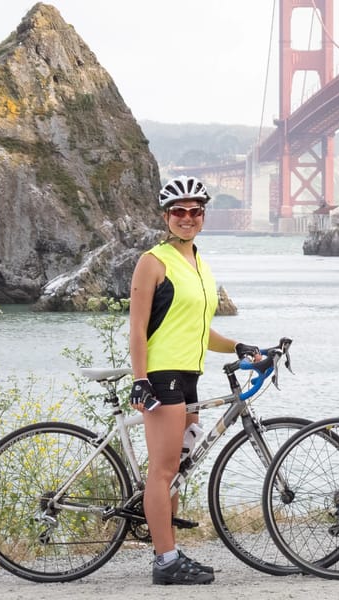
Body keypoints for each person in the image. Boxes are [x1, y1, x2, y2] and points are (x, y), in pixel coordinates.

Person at [129, 175, 260, 585]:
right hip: (162, 375)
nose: (188, 218)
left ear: (203, 216)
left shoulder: (200, 263)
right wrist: (140, 379)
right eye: (179, 212)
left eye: (195, 211)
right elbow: (136, 328)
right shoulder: (153, 260)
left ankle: (169, 551)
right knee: (163, 470)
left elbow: (200, 330)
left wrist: (239, 347)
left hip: (189, 375)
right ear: (166, 217)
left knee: (179, 467)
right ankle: (165, 562)